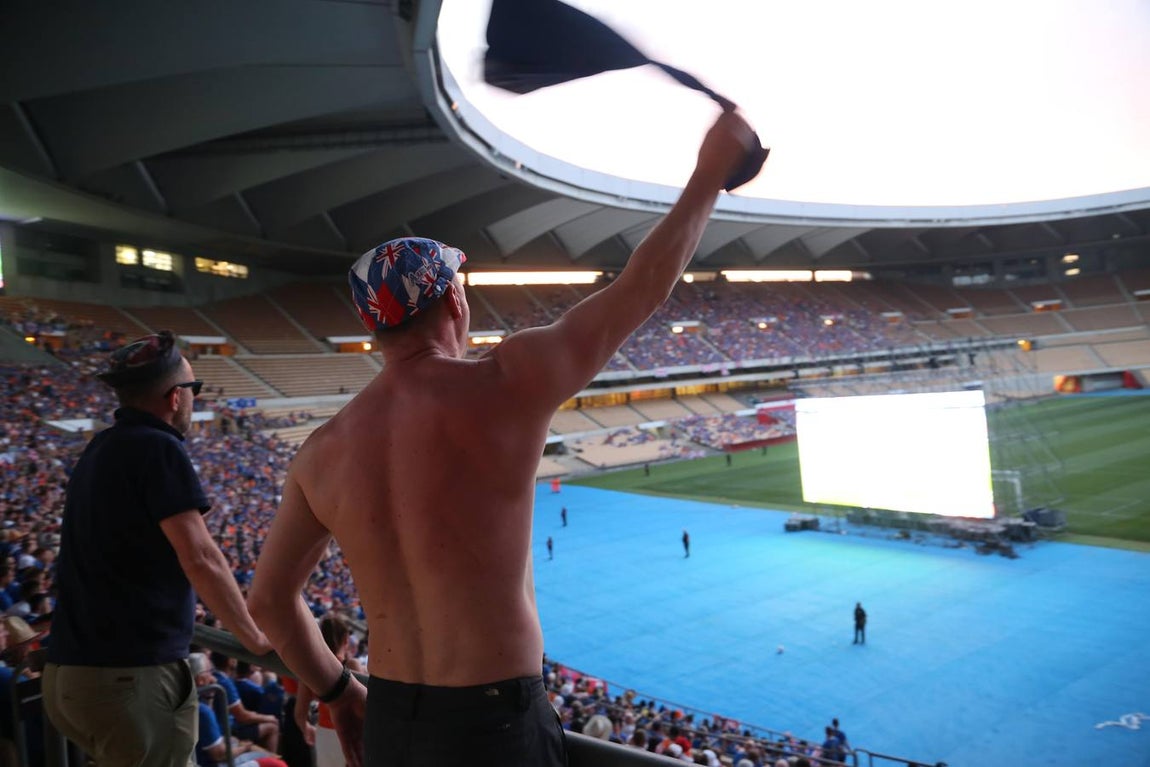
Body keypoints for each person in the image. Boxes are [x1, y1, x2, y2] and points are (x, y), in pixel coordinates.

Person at [247, 109, 765, 767]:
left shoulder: (320, 451)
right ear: (454, 303)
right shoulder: (504, 382)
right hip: (492, 724)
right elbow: (640, 288)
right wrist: (709, 173)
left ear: (376, 329)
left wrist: (336, 687)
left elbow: (268, 599)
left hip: (391, 722)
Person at [42, 330, 271, 767]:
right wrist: (252, 636)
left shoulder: (102, 446)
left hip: (73, 674)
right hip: (129, 679)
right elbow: (201, 557)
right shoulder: (158, 448)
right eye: (195, 389)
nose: (195, 399)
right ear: (174, 397)